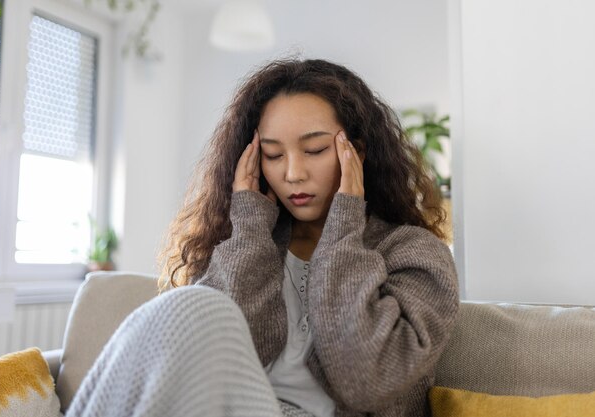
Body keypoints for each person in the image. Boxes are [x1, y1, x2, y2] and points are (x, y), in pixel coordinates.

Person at [66, 58, 459, 417]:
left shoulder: (416, 254)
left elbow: (367, 383)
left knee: (191, 305)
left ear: (355, 152)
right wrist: (250, 225)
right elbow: (211, 360)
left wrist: (343, 226)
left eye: (315, 149)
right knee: (189, 307)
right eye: (272, 155)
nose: (293, 173)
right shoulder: (251, 242)